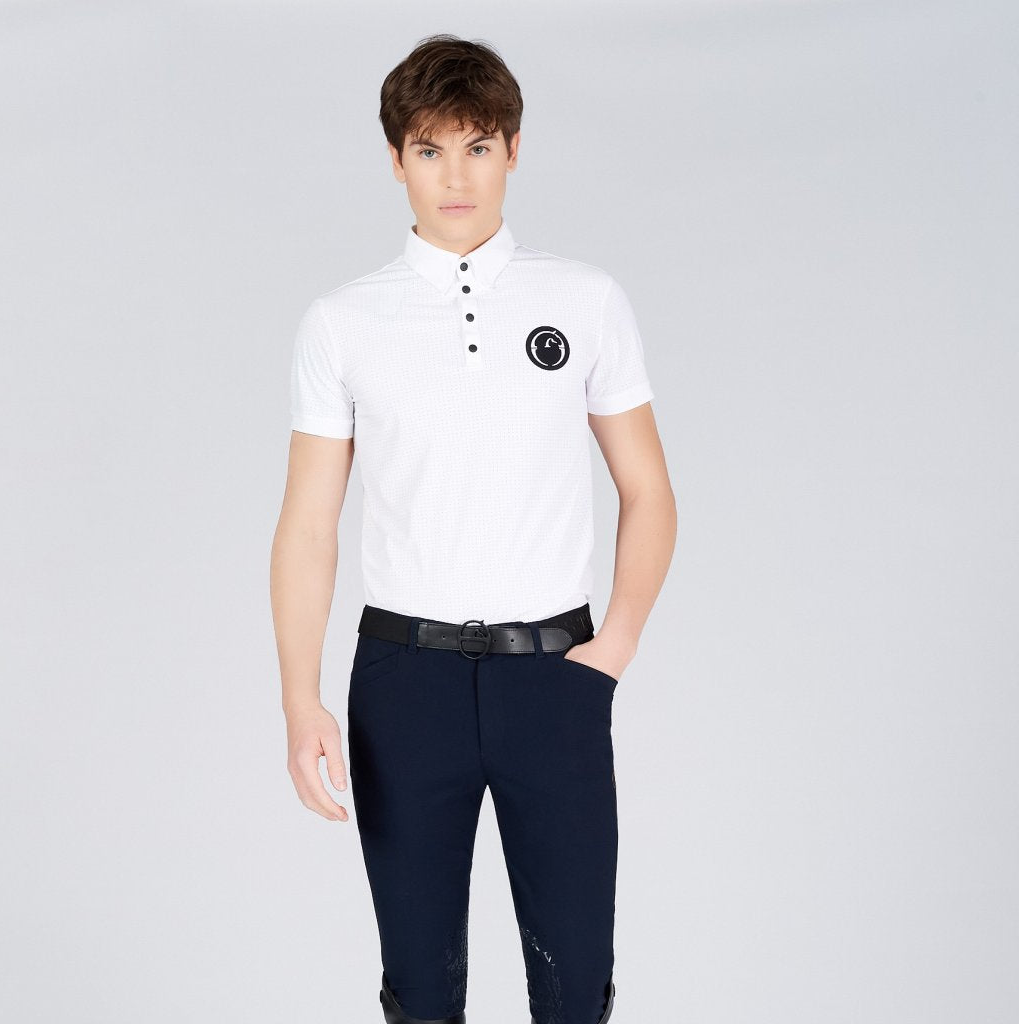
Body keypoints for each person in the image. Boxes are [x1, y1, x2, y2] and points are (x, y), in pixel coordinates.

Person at [271, 32, 677, 1024]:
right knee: (417, 989)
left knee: (576, 986)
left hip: (554, 674)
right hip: (404, 684)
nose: (455, 176)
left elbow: (649, 490)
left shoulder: (584, 300)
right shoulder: (343, 322)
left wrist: (614, 645)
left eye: (478, 147)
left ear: (513, 150)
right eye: (429, 150)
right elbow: (309, 526)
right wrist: (300, 697)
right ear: (395, 160)